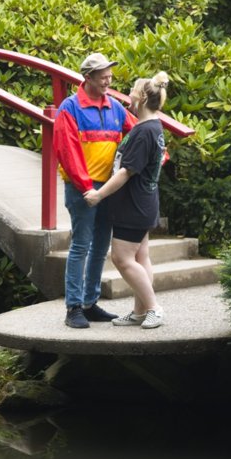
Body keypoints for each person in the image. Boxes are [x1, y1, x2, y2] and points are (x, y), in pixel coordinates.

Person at [53, 53, 136, 329]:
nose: (108, 80)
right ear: (87, 77)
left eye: (110, 75)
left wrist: (158, 150)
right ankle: (73, 307)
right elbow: (67, 151)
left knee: (100, 245)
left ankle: (89, 303)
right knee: (81, 245)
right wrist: (88, 188)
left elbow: (137, 131)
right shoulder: (70, 107)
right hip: (83, 189)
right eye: (103, 76)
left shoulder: (114, 106)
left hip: (108, 188)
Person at [84, 71, 169, 330]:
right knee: (141, 257)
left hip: (134, 205)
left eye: (132, 90)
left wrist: (99, 194)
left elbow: (125, 172)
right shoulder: (151, 126)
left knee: (122, 259)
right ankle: (139, 311)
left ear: (141, 98)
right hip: (143, 201)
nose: (128, 94)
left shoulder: (145, 132)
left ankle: (154, 308)